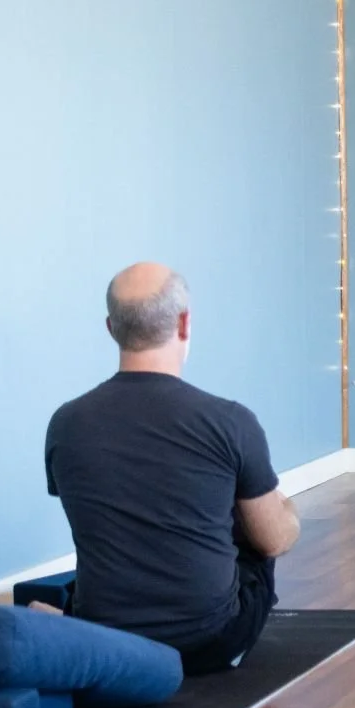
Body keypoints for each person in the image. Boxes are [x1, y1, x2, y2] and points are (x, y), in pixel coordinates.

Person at [45, 264, 300, 675]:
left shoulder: (65, 423)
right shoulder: (230, 421)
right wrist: (285, 509)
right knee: (253, 521)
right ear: (184, 323)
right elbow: (275, 541)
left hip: (106, 635)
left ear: (112, 328)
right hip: (209, 642)